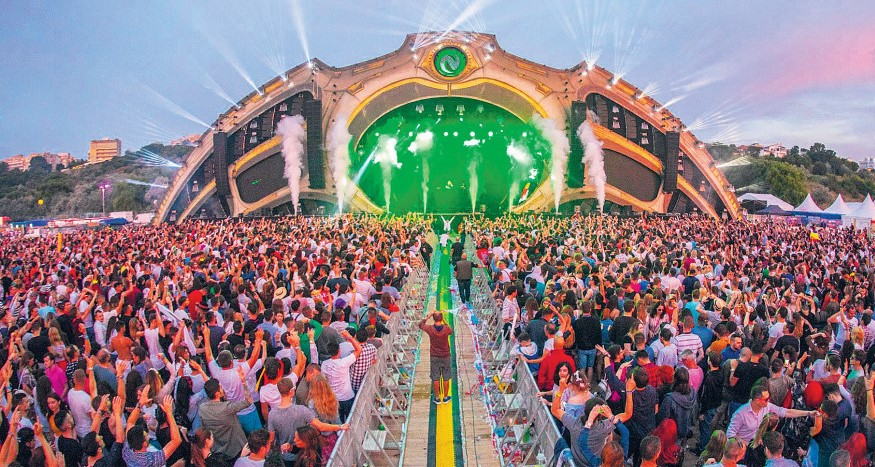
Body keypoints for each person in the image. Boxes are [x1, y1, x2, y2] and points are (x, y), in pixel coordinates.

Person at [727, 380, 817, 444]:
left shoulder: (767, 406)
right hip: (744, 450)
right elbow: (730, 435)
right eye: (766, 399)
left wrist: (808, 413)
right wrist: (746, 445)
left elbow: (786, 412)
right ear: (757, 401)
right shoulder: (741, 413)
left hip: (757, 447)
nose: (769, 400)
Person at [122, 394, 183, 467]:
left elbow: (130, 422)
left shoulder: (127, 450)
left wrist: (140, 404)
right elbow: (176, 440)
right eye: (145, 434)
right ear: (144, 444)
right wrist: (169, 414)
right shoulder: (150, 460)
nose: (147, 434)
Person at [419, 311, 454, 404]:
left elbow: (420, 325)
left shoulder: (430, 329)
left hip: (434, 355)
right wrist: (444, 321)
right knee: (446, 376)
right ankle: (445, 397)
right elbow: (451, 331)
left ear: (433, 318)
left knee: (435, 377)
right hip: (445, 355)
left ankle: (437, 398)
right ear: (441, 318)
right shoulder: (446, 329)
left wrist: (428, 316)